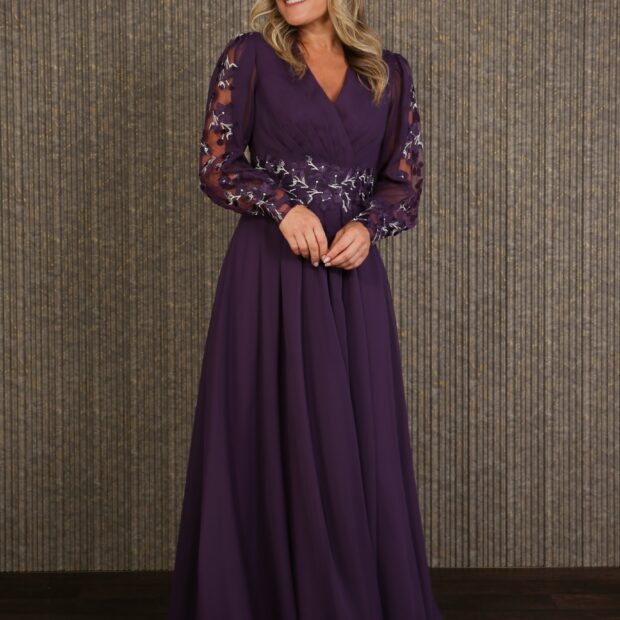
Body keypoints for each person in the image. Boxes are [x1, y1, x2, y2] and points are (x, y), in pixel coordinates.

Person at [168, 0, 442, 618]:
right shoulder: (249, 57)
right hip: (268, 274)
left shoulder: (388, 72)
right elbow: (216, 166)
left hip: (351, 279)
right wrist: (281, 207)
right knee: (262, 434)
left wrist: (369, 227)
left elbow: (404, 185)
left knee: (354, 444)